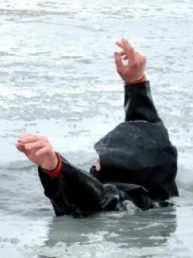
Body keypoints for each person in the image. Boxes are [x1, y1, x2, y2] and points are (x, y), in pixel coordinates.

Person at [16, 38, 178, 217]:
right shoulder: (161, 186)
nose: (95, 162)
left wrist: (55, 166)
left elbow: (98, 197)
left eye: (101, 160)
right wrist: (136, 82)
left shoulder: (120, 202)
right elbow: (146, 133)